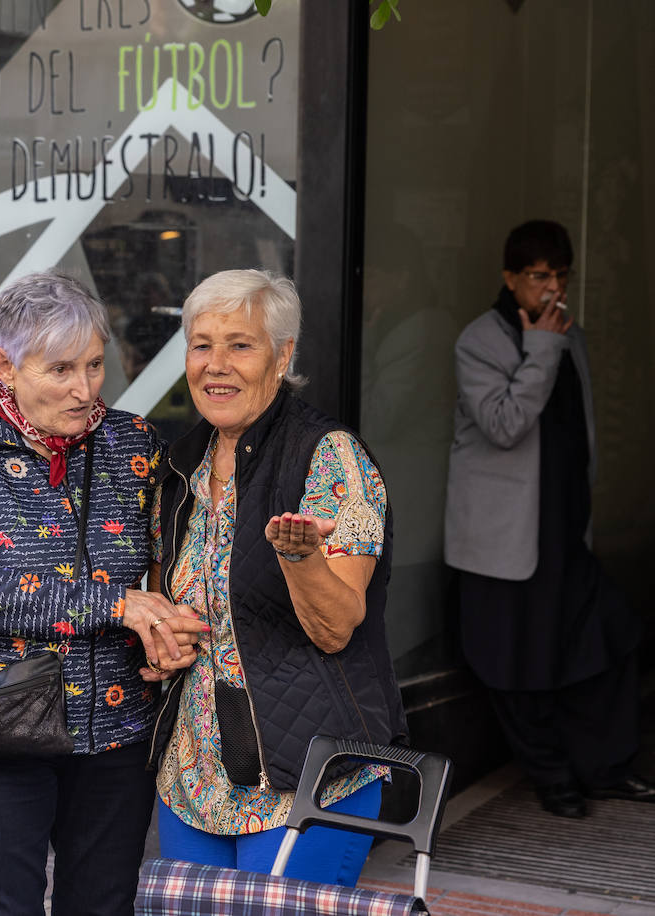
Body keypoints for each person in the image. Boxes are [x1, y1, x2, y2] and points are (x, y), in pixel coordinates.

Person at [0, 270, 203, 915]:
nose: (84, 390)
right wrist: (114, 604)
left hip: (115, 730)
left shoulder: (132, 444)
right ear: (7, 364)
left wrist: (167, 628)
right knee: (2, 905)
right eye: (60, 370)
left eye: (95, 365)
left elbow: (164, 566)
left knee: (102, 907)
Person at [146, 269, 407, 887]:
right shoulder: (182, 463)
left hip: (301, 779)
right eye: (201, 344)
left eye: (240, 345)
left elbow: (338, 627)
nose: (216, 364)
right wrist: (161, 634)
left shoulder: (327, 456)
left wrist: (302, 559)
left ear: (283, 356)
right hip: (194, 775)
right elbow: (175, 596)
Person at [445, 219, 652, 818]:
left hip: (562, 535)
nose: (552, 288)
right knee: (516, 666)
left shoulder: (569, 335)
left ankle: (605, 768)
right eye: (539, 276)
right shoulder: (481, 340)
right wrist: (542, 349)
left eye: (560, 275)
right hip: (503, 542)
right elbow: (504, 424)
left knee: (607, 644)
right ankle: (553, 777)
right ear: (511, 279)